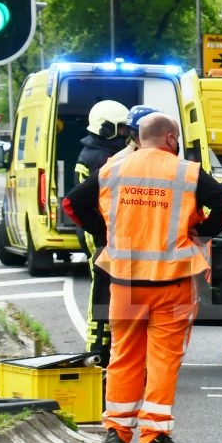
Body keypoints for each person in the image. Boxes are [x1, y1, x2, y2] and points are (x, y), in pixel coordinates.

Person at [63, 113, 222, 443]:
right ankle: (154, 436)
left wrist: (105, 234)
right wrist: (200, 234)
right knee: (163, 358)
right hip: (172, 283)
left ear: (140, 138)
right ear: (171, 138)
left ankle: (115, 432)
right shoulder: (185, 172)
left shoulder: (114, 168)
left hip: (126, 280)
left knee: (123, 355)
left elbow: (72, 203)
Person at [73, 100, 130, 366]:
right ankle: (96, 347)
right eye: (120, 130)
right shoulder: (99, 157)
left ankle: (104, 344)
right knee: (101, 288)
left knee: (108, 288)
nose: (125, 135)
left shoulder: (96, 150)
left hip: (102, 228)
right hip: (99, 230)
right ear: (105, 129)